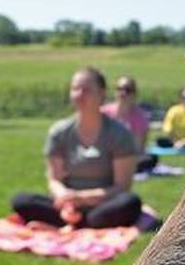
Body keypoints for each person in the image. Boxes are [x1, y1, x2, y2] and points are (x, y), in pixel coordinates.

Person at [11, 67, 142, 229]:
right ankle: (81, 222)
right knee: (21, 200)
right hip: (66, 204)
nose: (80, 95)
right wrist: (65, 198)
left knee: (130, 202)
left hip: (103, 204)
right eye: (75, 89)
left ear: (101, 94)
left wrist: (82, 198)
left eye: (86, 90)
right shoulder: (59, 132)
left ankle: (71, 223)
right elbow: (54, 179)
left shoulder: (120, 134)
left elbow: (121, 187)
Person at [102, 75, 158, 173]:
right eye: (119, 89)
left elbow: (138, 148)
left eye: (127, 90)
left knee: (150, 158)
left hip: (128, 157)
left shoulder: (140, 117)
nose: (122, 93)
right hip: (105, 155)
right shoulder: (103, 113)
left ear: (134, 94)